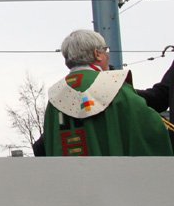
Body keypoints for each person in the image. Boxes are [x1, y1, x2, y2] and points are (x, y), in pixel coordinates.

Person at [43, 29, 172, 156]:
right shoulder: (114, 88)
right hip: (112, 169)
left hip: (68, 170)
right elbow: (149, 127)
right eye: (105, 50)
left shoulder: (55, 98)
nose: (108, 56)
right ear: (97, 54)